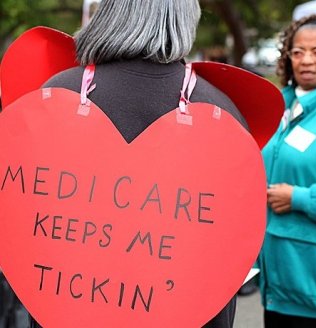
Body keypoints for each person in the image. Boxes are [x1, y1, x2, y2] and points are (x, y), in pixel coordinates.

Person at [28, 0, 250, 327]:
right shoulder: (220, 111)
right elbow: (226, 249)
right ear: (186, 19)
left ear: (110, 14)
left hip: (67, 306)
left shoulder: (58, 95)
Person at [258, 13, 316, 328]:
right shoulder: (275, 104)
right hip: (276, 282)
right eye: (298, 52)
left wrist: (300, 198)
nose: (306, 60)